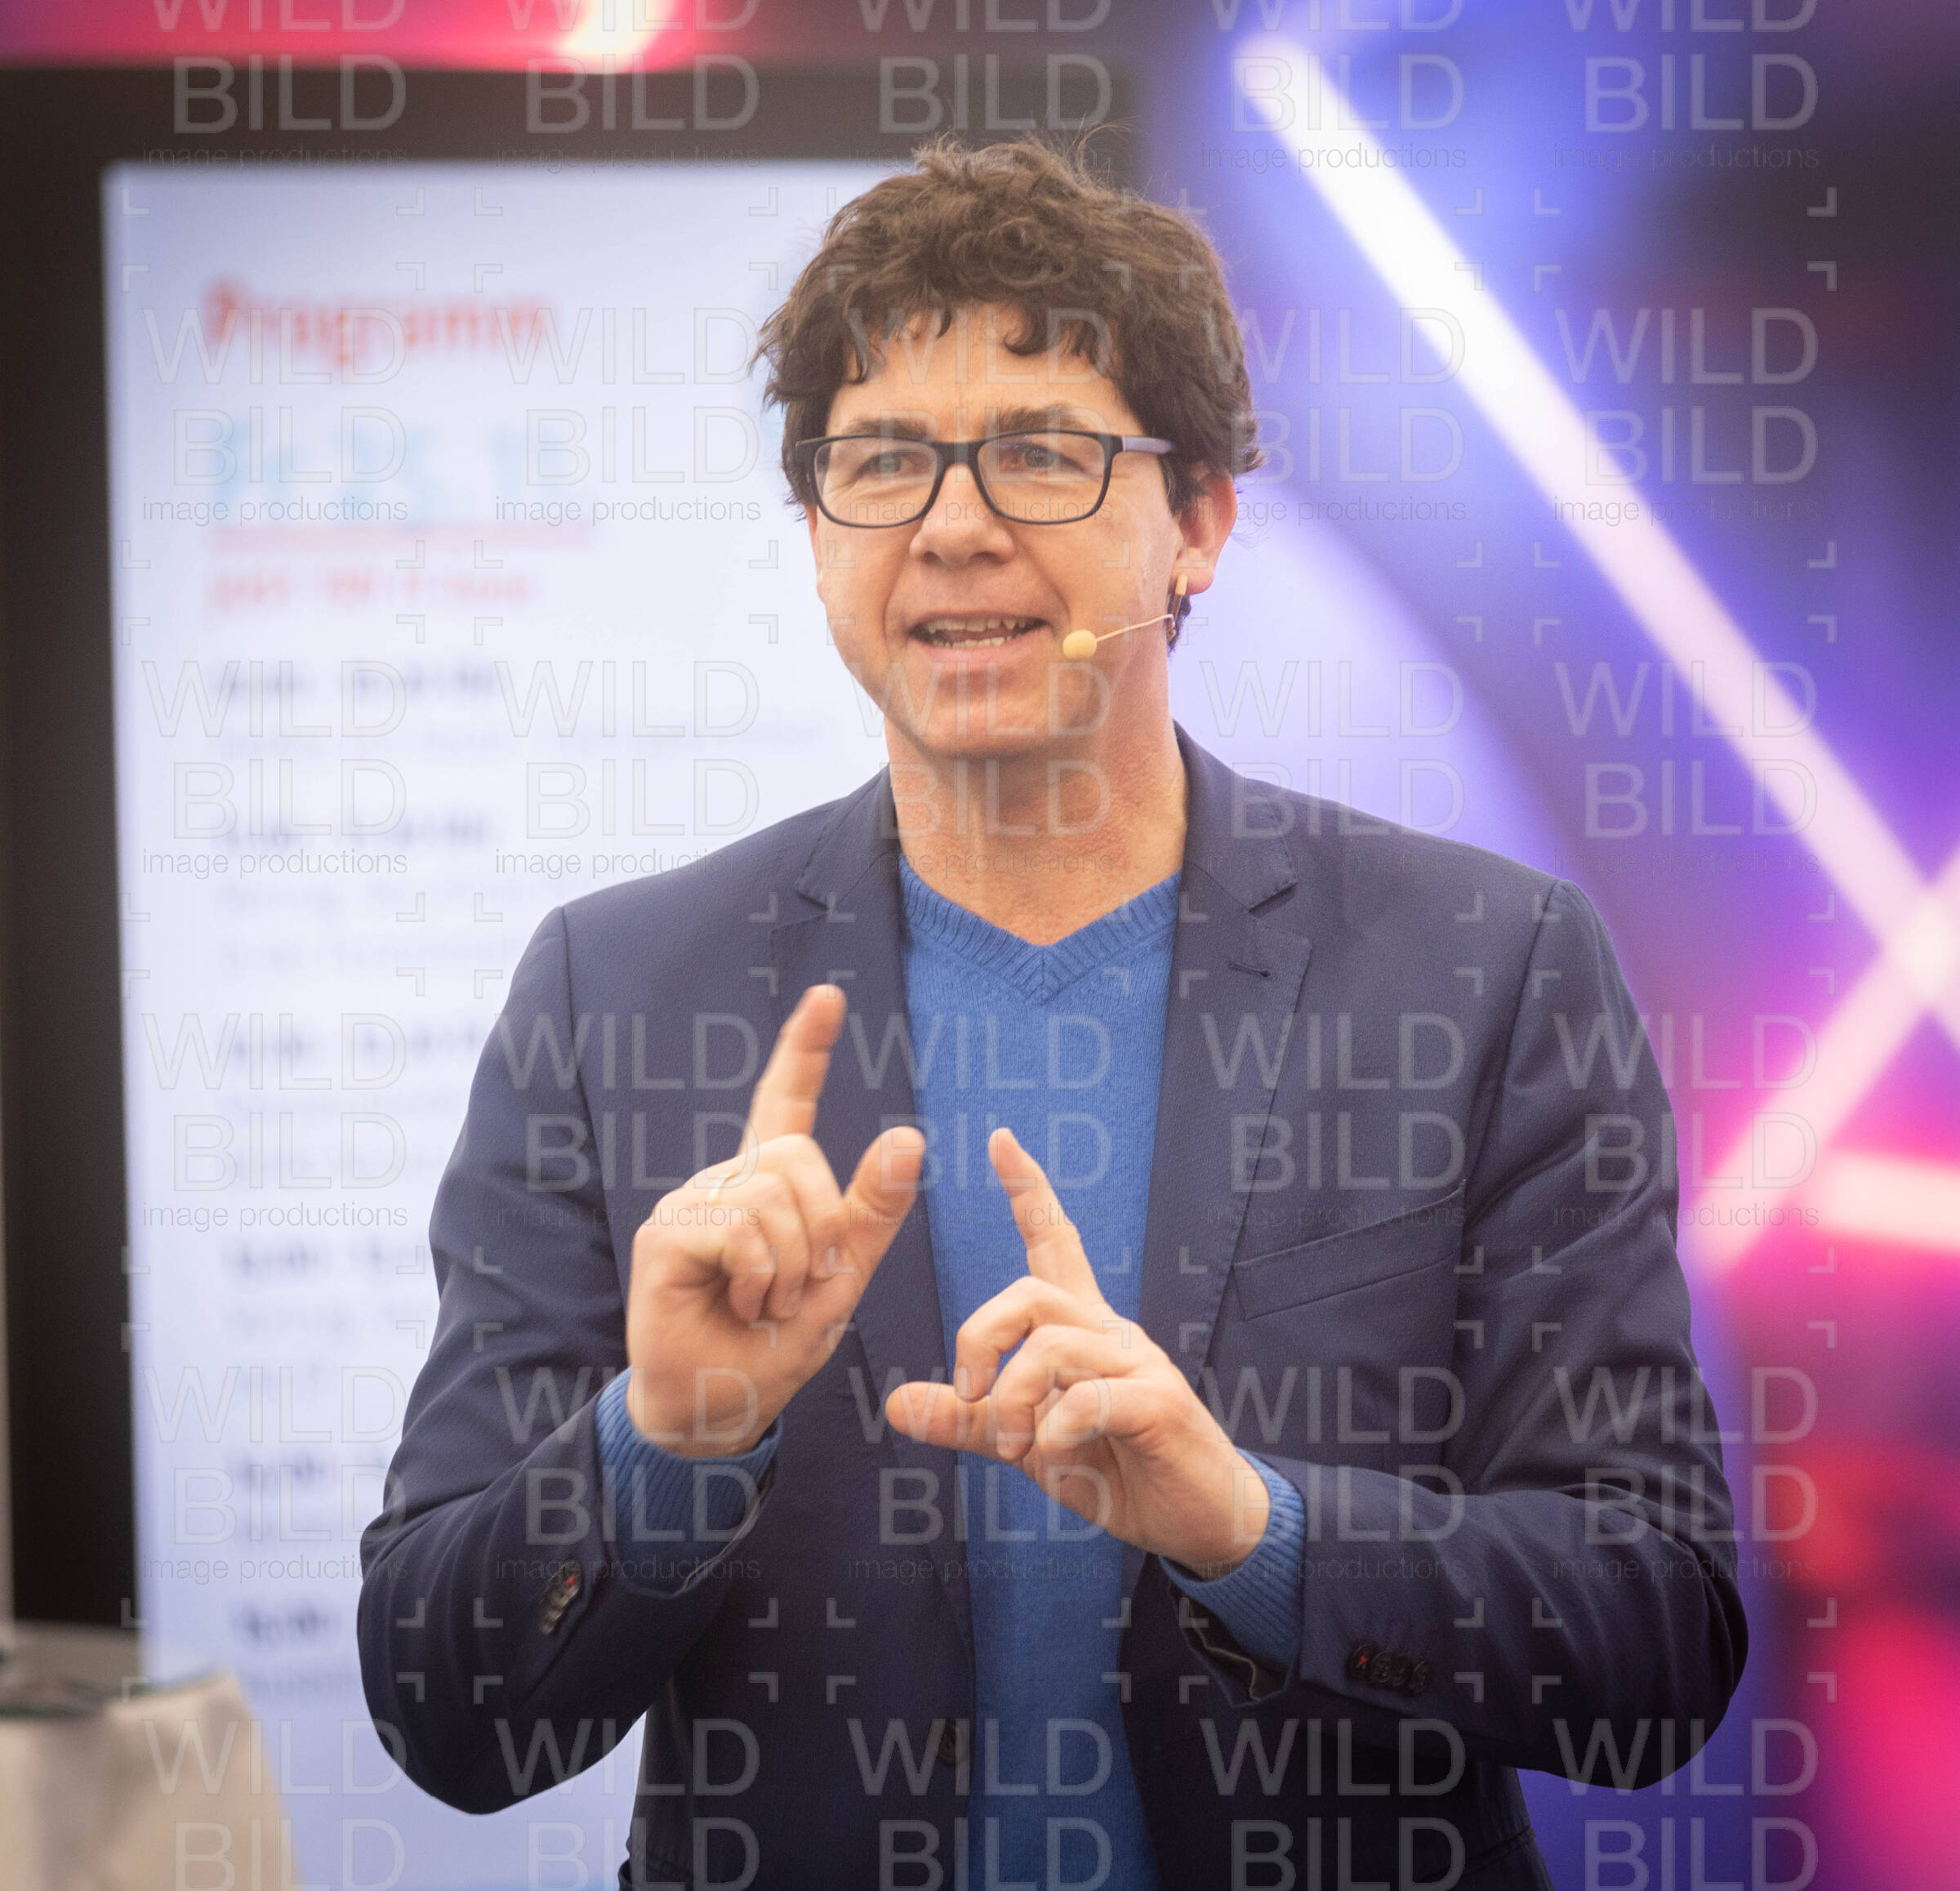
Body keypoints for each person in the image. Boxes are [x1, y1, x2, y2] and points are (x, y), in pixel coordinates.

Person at [358, 132, 1747, 1891]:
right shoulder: (614, 991)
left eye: (1040, 453)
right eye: (882, 462)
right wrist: (663, 1442)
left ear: (1201, 522)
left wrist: (1253, 1530)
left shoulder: (1486, 967)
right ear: (817, 539)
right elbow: (448, 1714)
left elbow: (1655, 1638)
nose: (953, 526)